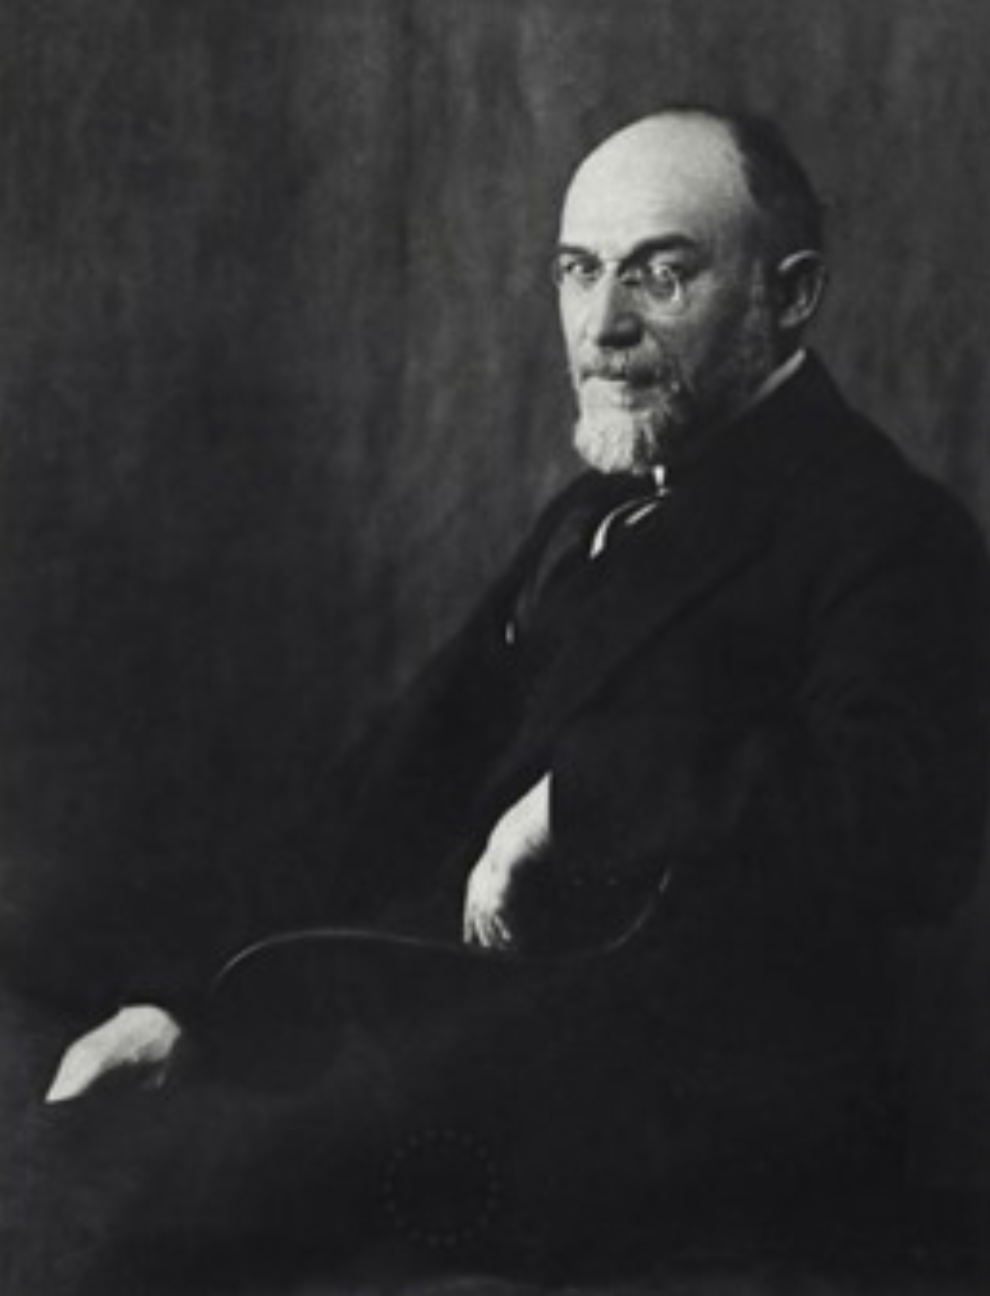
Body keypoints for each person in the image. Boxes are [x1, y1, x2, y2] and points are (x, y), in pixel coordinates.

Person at [41, 106, 990, 1281]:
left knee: (182, 1212)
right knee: (91, 1102)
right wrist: (191, 1003)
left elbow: (905, 834)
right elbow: (393, 783)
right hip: (484, 1045)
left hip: (699, 1125)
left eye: (661, 275)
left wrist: (572, 802)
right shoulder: (593, 514)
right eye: (579, 271)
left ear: (789, 295)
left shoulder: (889, 531)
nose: (603, 326)